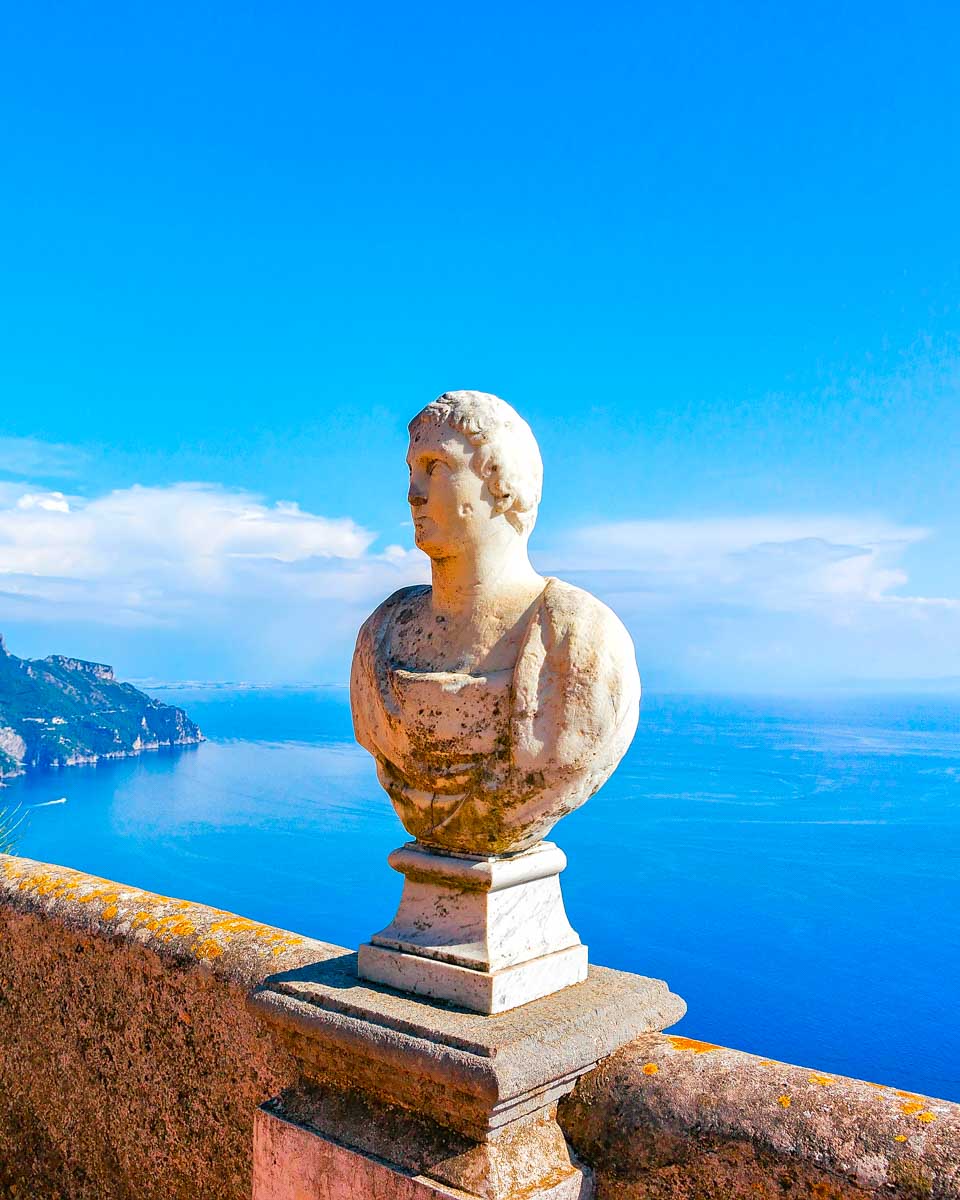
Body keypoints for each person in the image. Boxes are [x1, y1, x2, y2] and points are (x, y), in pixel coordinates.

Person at [350, 390, 640, 856]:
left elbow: (561, 760)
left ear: (503, 485)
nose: (413, 494)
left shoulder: (578, 638)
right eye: (411, 471)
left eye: (435, 467)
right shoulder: (383, 633)